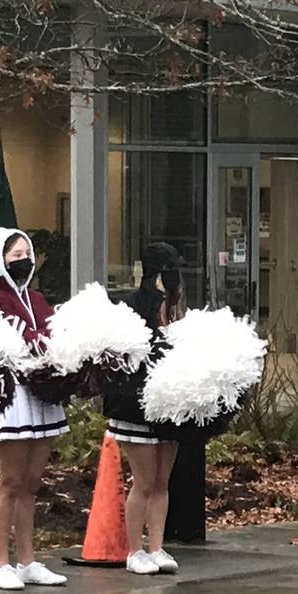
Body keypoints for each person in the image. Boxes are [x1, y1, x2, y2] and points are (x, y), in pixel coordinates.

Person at [0, 227, 68, 591]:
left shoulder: (38, 299)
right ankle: (1, 563)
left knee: (32, 484)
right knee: (11, 481)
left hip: (43, 398)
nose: (23, 260)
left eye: (26, 254)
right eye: (15, 255)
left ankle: (28, 560)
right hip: (14, 398)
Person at [103, 242, 186, 573]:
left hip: (169, 407)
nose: (175, 277)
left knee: (163, 481)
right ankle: (134, 550)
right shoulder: (134, 307)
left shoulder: (178, 308)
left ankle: (157, 547)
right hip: (136, 408)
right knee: (144, 480)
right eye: (170, 270)